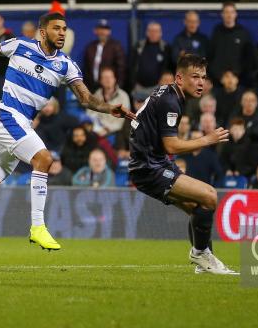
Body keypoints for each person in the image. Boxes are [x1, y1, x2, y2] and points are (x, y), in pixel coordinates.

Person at [0, 12, 135, 263]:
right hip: (6, 116)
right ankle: (37, 227)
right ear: (43, 32)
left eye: (64, 28)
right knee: (43, 158)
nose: (62, 33)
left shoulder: (66, 65)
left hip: (21, 123)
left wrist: (110, 108)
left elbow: (86, 98)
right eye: (56, 28)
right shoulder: (20, 45)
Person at [128, 54, 236, 274]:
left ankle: (205, 262)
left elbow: (146, 119)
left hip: (151, 163)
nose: (200, 82)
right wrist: (208, 139)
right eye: (194, 77)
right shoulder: (171, 102)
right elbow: (171, 146)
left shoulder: (166, 92)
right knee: (209, 196)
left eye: (203, 77)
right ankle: (200, 254)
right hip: (150, 168)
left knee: (197, 207)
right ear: (179, 78)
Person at [208, 2, 254, 85]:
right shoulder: (216, 32)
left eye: (232, 12)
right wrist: (218, 76)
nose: (229, 15)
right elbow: (210, 56)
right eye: (226, 12)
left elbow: (249, 59)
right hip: (218, 81)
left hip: (238, 82)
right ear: (222, 14)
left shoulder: (243, 33)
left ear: (235, 14)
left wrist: (237, 76)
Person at [130, 22, 173, 96]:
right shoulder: (139, 46)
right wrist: (133, 83)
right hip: (139, 88)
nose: (153, 33)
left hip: (158, 88)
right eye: (151, 31)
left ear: (160, 33)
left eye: (156, 31)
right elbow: (131, 65)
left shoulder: (166, 48)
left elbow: (169, 68)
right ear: (147, 33)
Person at [82, 19, 126, 91]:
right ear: (95, 31)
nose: (103, 32)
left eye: (105, 29)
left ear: (109, 32)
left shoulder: (116, 46)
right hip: (92, 87)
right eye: (100, 29)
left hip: (110, 88)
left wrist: (118, 87)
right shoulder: (90, 47)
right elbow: (86, 69)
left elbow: (121, 69)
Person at [86, 67, 130, 137]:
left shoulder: (123, 96)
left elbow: (122, 120)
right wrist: (97, 128)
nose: (108, 80)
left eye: (110, 77)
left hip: (116, 132)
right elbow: (89, 114)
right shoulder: (96, 95)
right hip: (97, 131)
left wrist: (107, 129)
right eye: (105, 77)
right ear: (100, 81)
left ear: (115, 79)